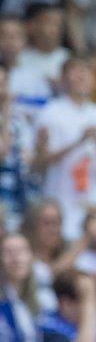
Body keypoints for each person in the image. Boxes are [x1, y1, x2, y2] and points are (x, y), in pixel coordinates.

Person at [32, 57, 96, 239]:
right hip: (58, 205)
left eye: (86, 72)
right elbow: (39, 165)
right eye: (76, 72)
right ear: (64, 79)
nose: (81, 76)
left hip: (94, 206)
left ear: (94, 80)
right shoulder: (50, 113)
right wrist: (79, 141)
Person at [0, 61, 35, 224]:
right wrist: (7, 111)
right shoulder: (10, 116)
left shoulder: (19, 119)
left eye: (4, 84)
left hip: (17, 197)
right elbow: (2, 152)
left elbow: (28, 158)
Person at [19, 1, 67, 94]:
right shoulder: (19, 58)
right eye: (50, 22)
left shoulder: (69, 58)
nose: (55, 28)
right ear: (32, 25)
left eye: (59, 24)